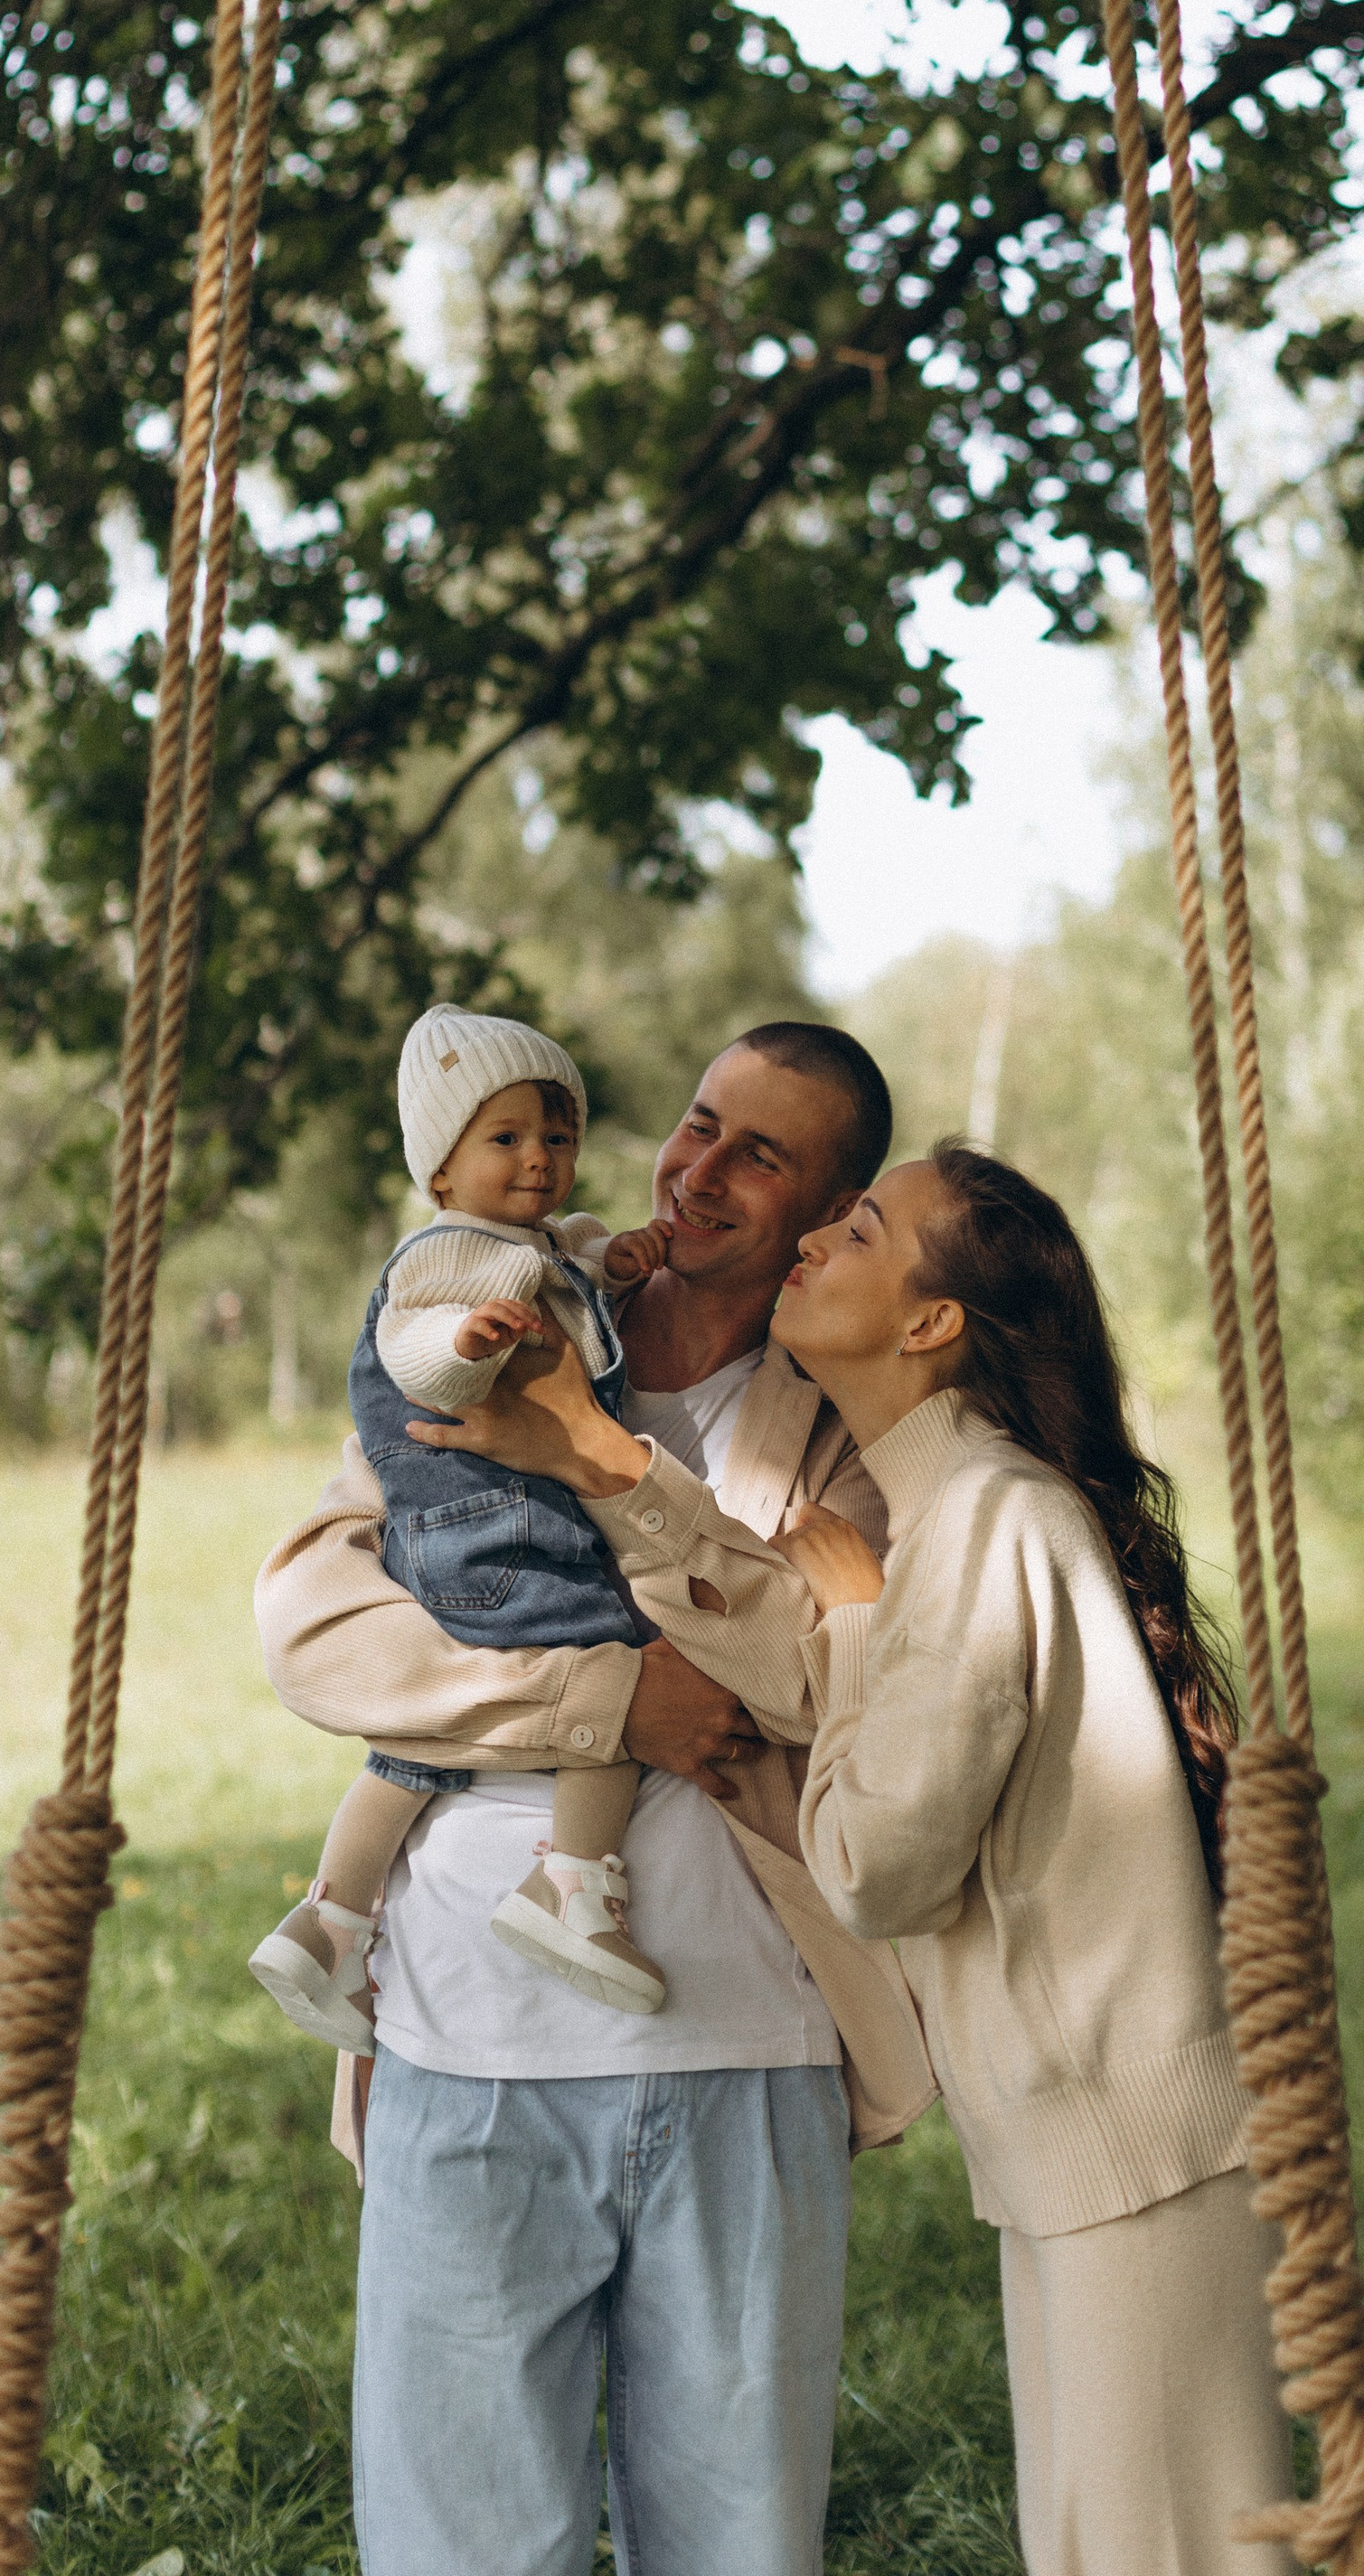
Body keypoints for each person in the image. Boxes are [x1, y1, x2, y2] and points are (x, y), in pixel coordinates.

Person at [432, 1138, 1294, 2576]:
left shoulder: (985, 1524)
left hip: (1133, 2141)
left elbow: (874, 1858)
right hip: (1092, 2138)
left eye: (865, 1226)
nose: (818, 1238)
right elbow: (803, 1662)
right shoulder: (942, 1515)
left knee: (1162, 2549)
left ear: (930, 1322)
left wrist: (849, 1620)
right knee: (1105, 2543)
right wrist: (599, 1462)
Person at [254, 1022, 936, 2576]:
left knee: (737, 2543)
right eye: (697, 1124)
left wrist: (609, 1461)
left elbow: (839, 1679)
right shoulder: (492, 1312)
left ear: (831, 1209)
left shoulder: (859, 1423)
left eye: (760, 1154)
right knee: (462, 2544)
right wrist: (613, 1698)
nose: (696, 1170)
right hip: (464, 2034)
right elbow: (316, 1624)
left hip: (748, 2054)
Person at [249, 1003, 679, 2041]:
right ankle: (571, 1890)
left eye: (557, 1136)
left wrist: (618, 1262)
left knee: (415, 1747)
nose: (539, 1158)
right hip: (500, 1528)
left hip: (454, 1542)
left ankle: (329, 1921)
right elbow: (419, 1352)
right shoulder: (445, 1265)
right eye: (506, 1138)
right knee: (616, 1675)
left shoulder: (526, 1243)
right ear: (440, 1169)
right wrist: (468, 1347)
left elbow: (574, 1257)